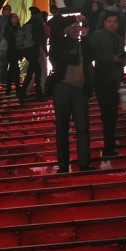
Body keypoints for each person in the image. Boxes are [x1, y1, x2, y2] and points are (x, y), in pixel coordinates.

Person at [49, 15, 93, 173]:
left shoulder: (83, 45)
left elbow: (91, 57)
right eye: (72, 25)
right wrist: (74, 17)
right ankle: (62, 164)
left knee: (83, 127)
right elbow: (54, 25)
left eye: (78, 26)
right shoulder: (59, 42)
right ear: (66, 28)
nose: (75, 28)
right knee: (62, 128)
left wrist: (86, 38)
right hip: (62, 87)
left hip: (80, 89)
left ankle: (84, 163)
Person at [89, 10, 126, 166]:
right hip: (103, 80)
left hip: (115, 80)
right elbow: (96, 55)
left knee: (113, 115)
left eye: (115, 22)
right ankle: (108, 148)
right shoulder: (97, 35)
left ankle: (110, 147)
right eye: (109, 21)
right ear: (104, 22)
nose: (112, 24)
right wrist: (113, 59)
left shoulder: (119, 38)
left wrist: (122, 60)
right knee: (107, 115)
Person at [17, 7, 45, 104]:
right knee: (34, 71)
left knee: (35, 70)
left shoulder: (27, 24)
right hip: (34, 50)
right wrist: (45, 50)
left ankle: (30, 92)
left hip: (27, 51)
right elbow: (42, 38)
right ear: (38, 14)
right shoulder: (38, 24)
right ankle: (24, 92)